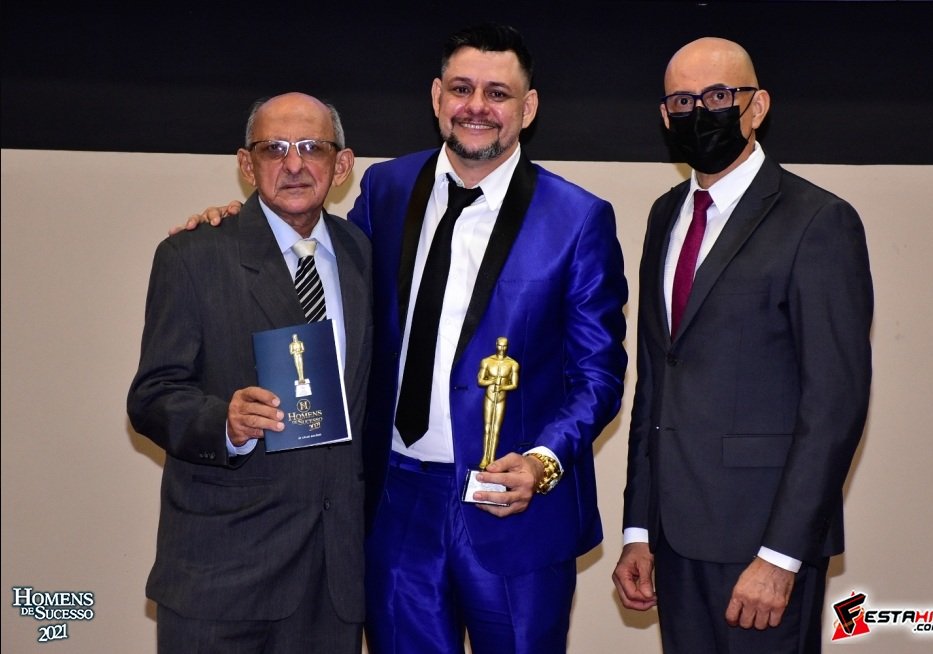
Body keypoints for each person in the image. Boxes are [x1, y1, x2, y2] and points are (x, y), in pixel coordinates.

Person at [178, 23, 627, 654]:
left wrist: (543, 462)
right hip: (395, 502)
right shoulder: (386, 189)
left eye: (497, 93)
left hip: (513, 507)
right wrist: (238, 224)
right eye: (462, 89)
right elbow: (316, 260)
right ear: (437, 97)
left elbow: (598, 375)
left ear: (528, 108)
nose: (477, 106)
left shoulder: (578, 218)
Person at [612, 37, 873, 654]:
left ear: (757, 107)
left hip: (761, 548)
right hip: (672, 543)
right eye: (683, 101)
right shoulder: (664, 215)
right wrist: (638, 529)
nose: (700, 111)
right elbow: (656, 380)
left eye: (718, 95)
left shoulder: (818, 221)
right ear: (665, 115)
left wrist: (781, 556)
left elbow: (833, 406)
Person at [128, 92, 372, 653]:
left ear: (341, 165)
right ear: (246, 164)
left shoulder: (362, 254)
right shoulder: (193, 256)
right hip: (224, 576)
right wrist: (225, 423)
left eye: (311, 147)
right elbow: (152, 396)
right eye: (274, 149)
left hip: (333, 580)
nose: (294, 164)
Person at [477, 336, 519, 469]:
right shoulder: (487, 361)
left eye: (504, 346)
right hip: (489, 396)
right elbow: (480, 381)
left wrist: (502, 386)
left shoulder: (512, 364)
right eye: (500, 345)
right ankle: (485, 457)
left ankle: (492, 458)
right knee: (487, 428)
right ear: (496, 345)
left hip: (501, 398)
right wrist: (492, 381)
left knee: (496, 429)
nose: (502, 348)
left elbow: (514, 384)